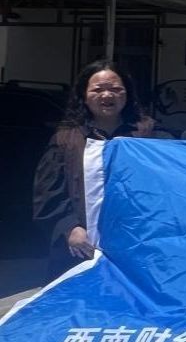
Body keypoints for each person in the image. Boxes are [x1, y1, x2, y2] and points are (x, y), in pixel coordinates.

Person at [33, 60, 165, 275]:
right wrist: (69, 228)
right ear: (84, 96)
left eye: (115, 89)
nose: (107, 95)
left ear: (127, 94)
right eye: (97, 90)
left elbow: (163, 187)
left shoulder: (148, 135)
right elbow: (48, 195)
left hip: (135, 247)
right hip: (81, 248)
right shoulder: (66, 140)